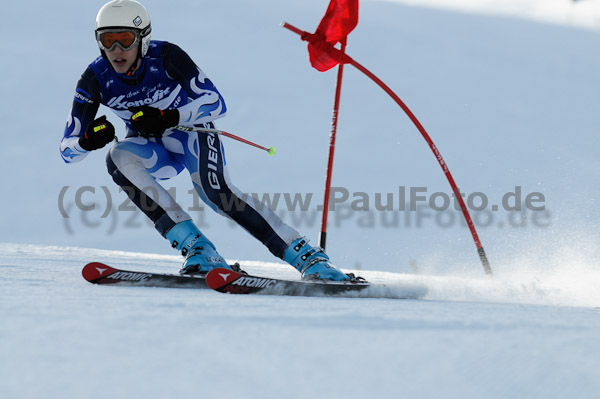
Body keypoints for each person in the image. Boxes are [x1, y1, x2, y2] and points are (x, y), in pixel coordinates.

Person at [61, 0, 352, 281]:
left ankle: (307, 257)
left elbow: (216, 103)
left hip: (190, 134)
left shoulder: (166, 56)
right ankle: (200, 250)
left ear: (143, 39)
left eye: (125, 39)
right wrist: (87, 141)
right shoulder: (95, 77)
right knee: (117, 156)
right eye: (107, 39)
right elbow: (67, 151)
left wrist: (169, 117)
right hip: (151, 150)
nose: (116, 50)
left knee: (215, 193)